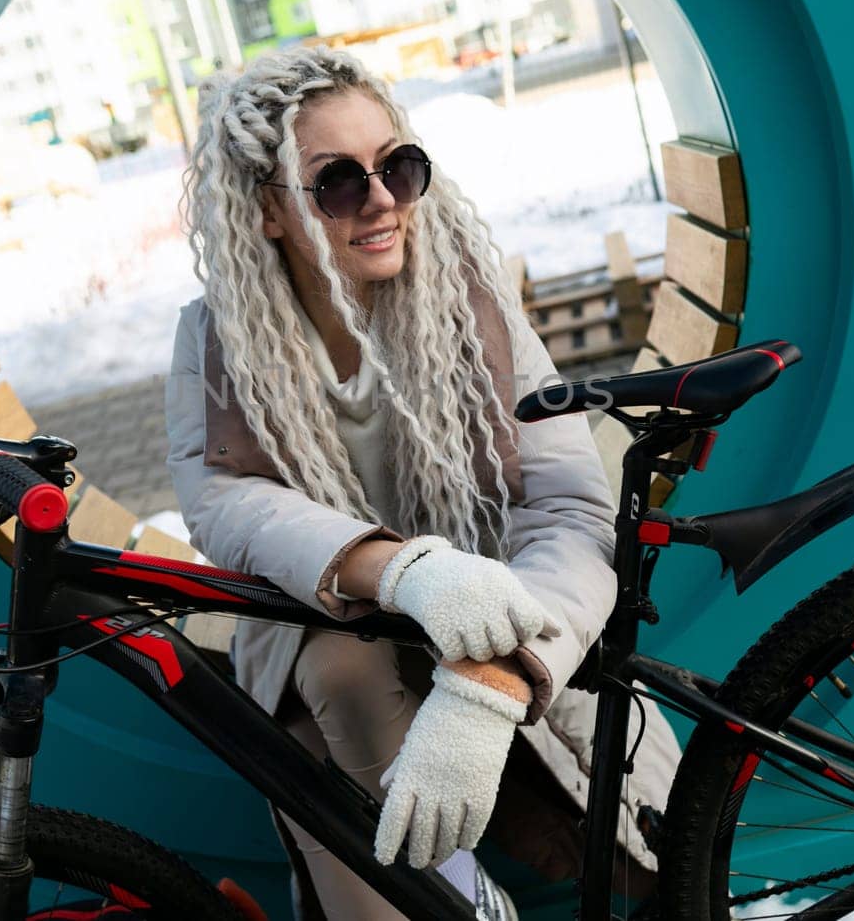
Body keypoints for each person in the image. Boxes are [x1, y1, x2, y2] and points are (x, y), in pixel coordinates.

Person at [163, 46, 679, 920]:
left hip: (501, 625)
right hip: (327, 659)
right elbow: (223, 500)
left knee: (650, 870)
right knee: (341, 667)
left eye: (398, 167)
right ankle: (453, 893)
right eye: (335, 181)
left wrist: (495, 679)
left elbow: (572, 510)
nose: (381, 200)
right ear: (267, 215)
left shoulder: (469, 306)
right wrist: (402, 571)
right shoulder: (220, 343)